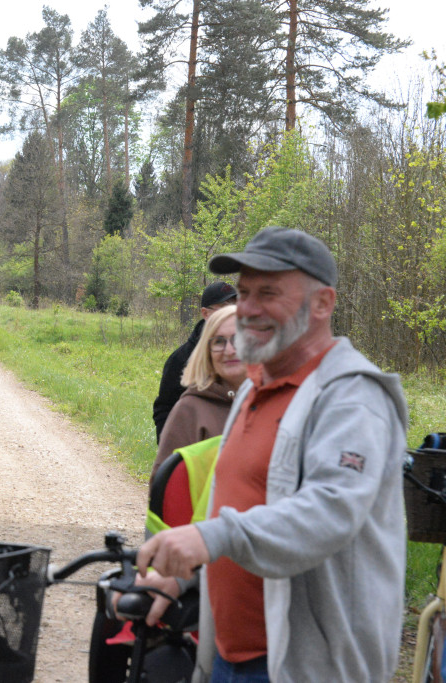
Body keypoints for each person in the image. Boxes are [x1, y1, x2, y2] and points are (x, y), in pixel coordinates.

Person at [135, 227, 408, 682]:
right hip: (226, 655)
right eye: (243, 293)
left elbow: (330, 510)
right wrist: (188, 576)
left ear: (323, 303)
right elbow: (246, 509)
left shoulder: (352, 399)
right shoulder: (252, 390)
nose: (249, 309)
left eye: (268, 293)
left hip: (302, 666)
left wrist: (209, 538)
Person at [151, 305, 246, 485]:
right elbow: (166, 491)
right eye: (218, 341)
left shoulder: (273, 404)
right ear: (207, 352)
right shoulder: (190, 410)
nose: (229, 350)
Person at [152, 281, 237, 442]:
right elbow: (164, 409)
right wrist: (173, 456)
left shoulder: (246, 353)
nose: (232, 314)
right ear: (205, 313)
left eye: (235, 307)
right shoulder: (180, 359)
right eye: (225, 308)